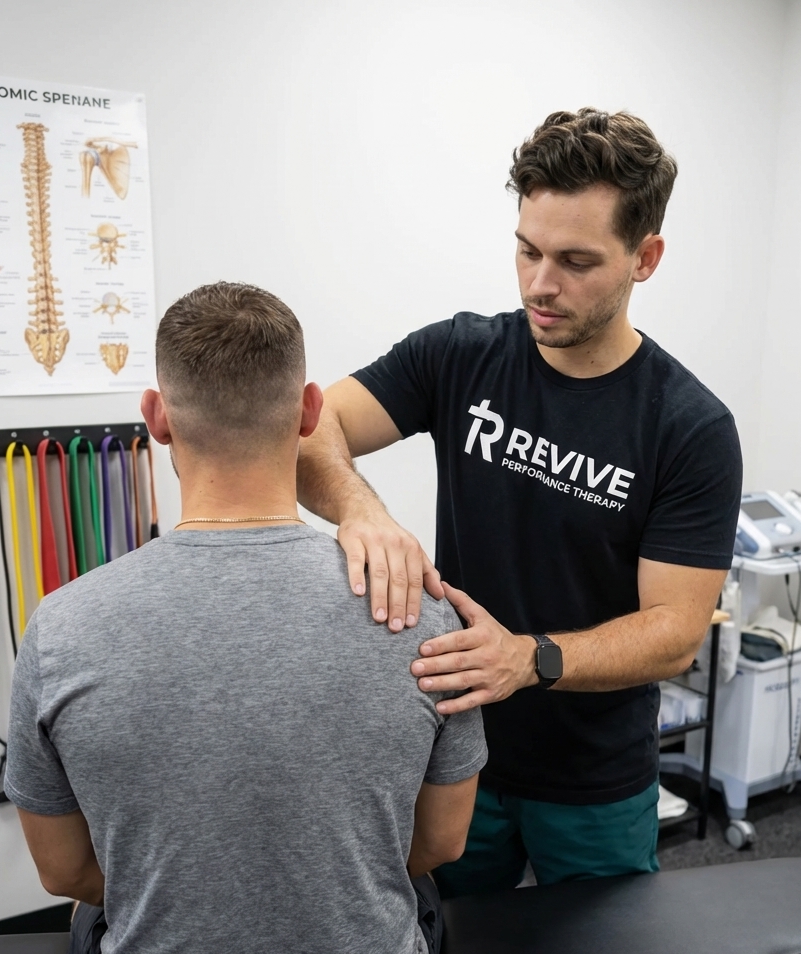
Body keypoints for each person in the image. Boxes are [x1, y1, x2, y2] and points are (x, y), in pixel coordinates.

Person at [4, 282, 486, 954]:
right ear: (308, 412)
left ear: (156, 418)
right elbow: (439, 846)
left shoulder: (60, 628)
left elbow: (65, 872)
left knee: (87, 925)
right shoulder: (421, 614)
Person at [296, 108, 743, 895]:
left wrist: (528, 659)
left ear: (645, 258)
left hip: (594, 780)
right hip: (456, 756)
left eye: (575, 261)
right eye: (527, 250)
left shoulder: (687, 426)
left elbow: (674, 634)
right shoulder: (459, 356)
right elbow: (308, 431)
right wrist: (363, 513)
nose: (541, 284)